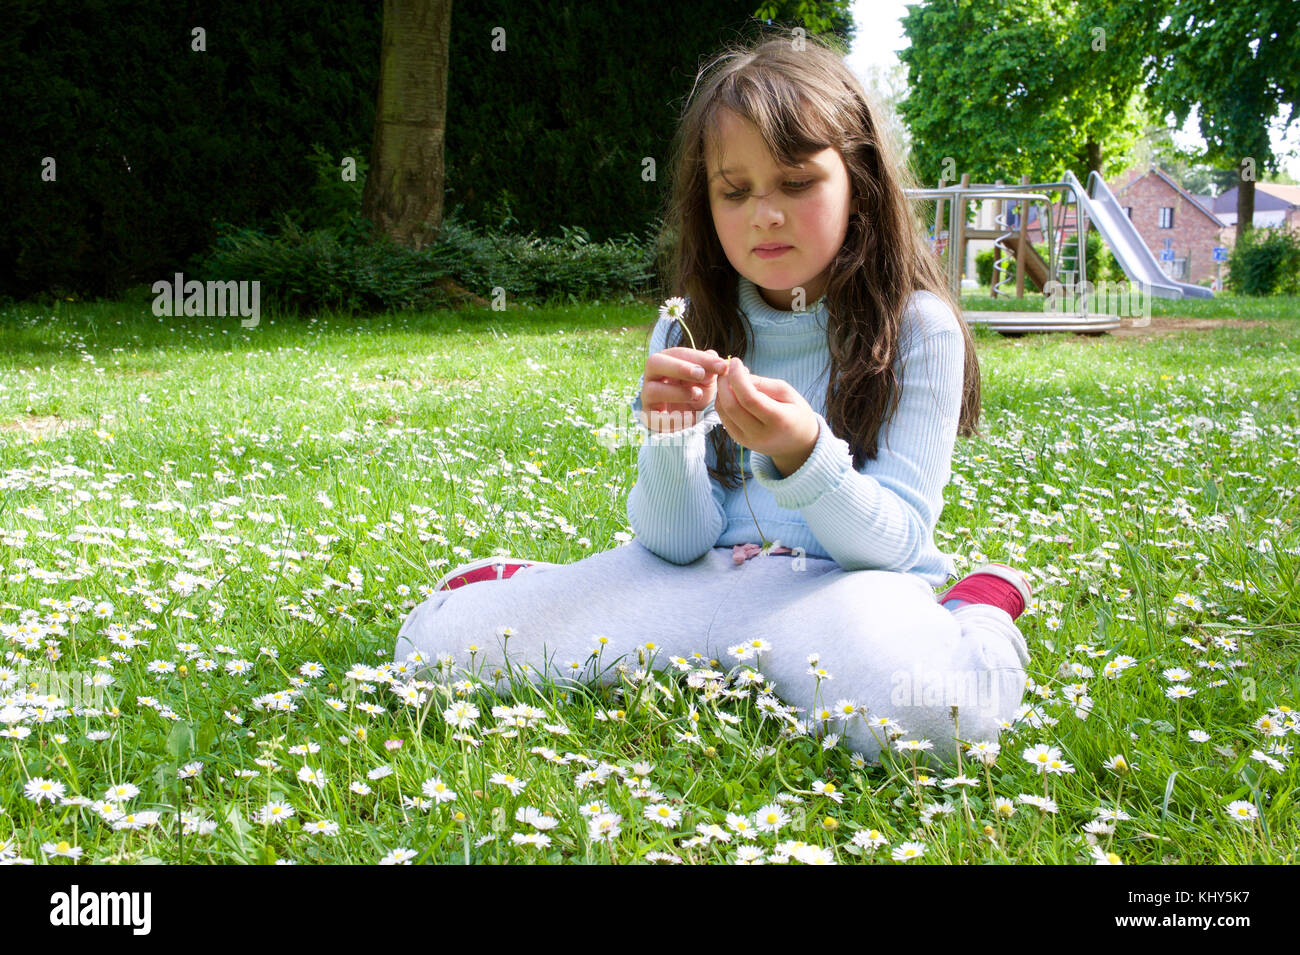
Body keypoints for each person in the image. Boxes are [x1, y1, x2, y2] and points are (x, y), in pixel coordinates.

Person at [395, 28, 1032, 765]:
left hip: (838, 592)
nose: (765, 213)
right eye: (736, 190)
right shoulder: (689, 321)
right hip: (696, 582)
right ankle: (524, 585)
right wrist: (668, 438)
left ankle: (977, 610)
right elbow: (675, 542)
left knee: (934, 718)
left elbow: (892, 545)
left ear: (858, 180)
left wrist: (801, 454)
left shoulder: (918, 328)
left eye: (796, 183)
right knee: (434, 654)